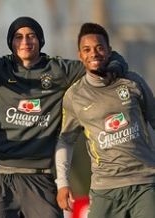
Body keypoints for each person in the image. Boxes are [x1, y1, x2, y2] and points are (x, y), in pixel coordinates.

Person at [0, 16, 127, 218]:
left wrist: (114, 69)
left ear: (40, 40)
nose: (25, 42)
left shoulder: (59, 70)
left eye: (31, 36)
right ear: (11, 42)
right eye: (18, 37)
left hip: (40, 177)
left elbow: (111, 57)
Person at [55, 22, 155, 218]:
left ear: (109, 51)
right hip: (105, 188)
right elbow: (65, 140)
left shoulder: (132, 82)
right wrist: (62, 184)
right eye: (87, 49)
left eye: (100, 47)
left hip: (144, 181)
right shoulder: (74, 96)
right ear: (80, 55)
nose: (94, 53)